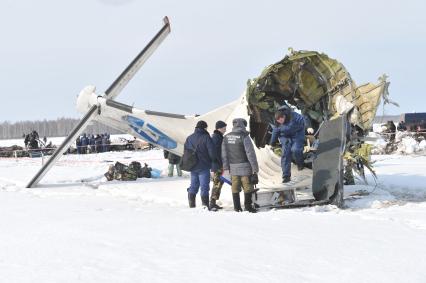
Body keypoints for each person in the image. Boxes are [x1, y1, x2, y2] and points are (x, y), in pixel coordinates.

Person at [222, 118, 259, 213]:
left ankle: (237, 207)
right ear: (243, 125)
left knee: (235, 187)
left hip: (233, 168)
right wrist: (255, 168)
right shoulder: (244, 136)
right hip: (245, 167)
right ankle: (248, 206)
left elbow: (224, 154)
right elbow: (250, 153)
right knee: (247, 187)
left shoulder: (226, 137)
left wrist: (226, 168)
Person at [184, 120, 215, 209]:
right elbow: (212, 152)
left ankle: (192, 205)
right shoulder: (206, 137)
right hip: (203, 166)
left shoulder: (189, 138)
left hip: (193, 166)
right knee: (204, 186)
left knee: (193, 185)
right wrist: (213, 161)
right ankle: (205, 206)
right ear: (205, 128)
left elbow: (186, 151)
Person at [270, 106, 305, 183]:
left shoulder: (293, 115)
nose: (280, 122)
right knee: (285, 153)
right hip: (285, 136)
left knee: (295, 149)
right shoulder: (277, 122)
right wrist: (272, 143)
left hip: (297, 133)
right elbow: (275, 132)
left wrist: (309, 127)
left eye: (281, 120)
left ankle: (300, 163)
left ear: (284, 116)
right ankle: (286, 176)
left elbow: (303, 119)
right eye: (278, 121)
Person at [210, 120, 227, 211]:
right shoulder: (217, 137)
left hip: (218, 164)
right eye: (224, 128)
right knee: (217, 184)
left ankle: (213, 203)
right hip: (217, 165)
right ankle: (212, 204)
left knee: (218, 184)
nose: (225, 129)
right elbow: (215, 153)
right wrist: (220, 163)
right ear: (219, 128)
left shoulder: (218, 136)